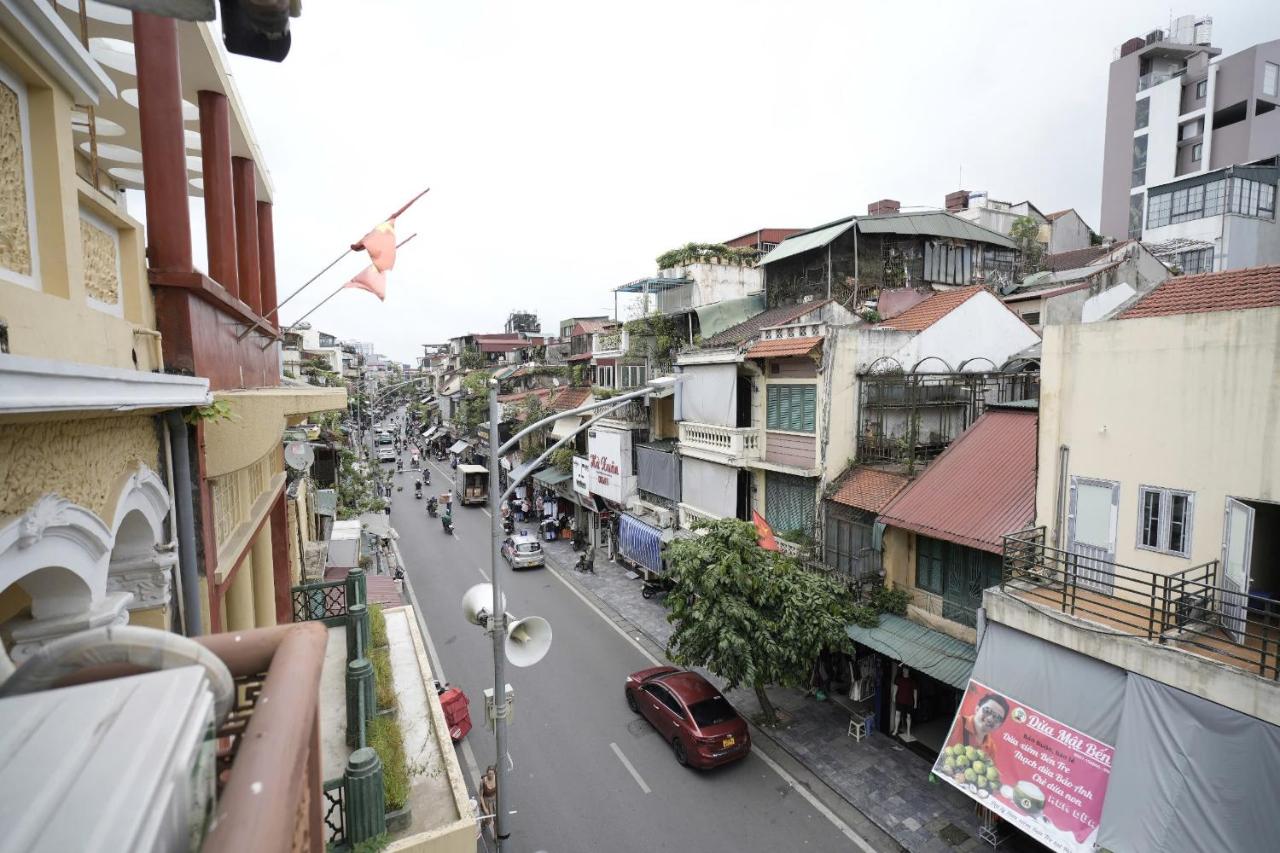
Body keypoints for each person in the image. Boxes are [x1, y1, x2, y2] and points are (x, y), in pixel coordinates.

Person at [478, 765, 497, 838]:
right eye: (489, 774)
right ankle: (483, 823)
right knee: (488, 821)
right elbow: (481, 796)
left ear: (494, 773)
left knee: (496, 820)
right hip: (486, 801)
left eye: (492, 774)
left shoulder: (497, 779)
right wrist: (485, 808)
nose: (491, 775)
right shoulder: (483, 781)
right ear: (487, 773)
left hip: (495, 802)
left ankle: (495, 836)